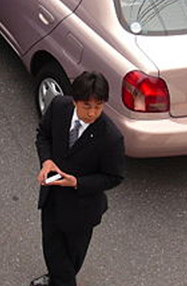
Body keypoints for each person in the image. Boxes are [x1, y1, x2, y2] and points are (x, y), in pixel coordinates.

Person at [31, 71, 126, 286]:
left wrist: (77, 182)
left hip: (83, 209)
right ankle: (57, 279)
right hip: (52, 195)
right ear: (74, 101)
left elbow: (114, 177)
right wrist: (46, 161)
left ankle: (59, 280)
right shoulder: (58, 108)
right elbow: (43, 135)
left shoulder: (111, 137)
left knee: (72, 256)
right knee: (51, 246)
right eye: (86, 106)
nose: (92, 113)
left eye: (98, 106)